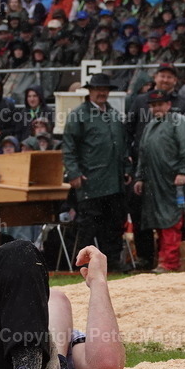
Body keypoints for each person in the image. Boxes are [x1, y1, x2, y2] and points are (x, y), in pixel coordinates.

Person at [62, 72, 129, 271]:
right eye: (98, 89)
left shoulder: (114, 114)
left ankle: (113, 262)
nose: (102, 93)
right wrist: (73, 172)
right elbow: (69, 147)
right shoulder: (78, 115)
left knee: (114, 224)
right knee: (88, 226)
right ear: (90, 91)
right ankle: (81, 265)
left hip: (114, 181)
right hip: (90, 181)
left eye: (105, 89)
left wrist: (127, 169)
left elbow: (123, 146)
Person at [133, 90, 185, 274]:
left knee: (172, 221)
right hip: (154, 183)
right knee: (160, 222)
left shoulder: (180, 122)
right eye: (153, 105)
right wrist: (140, 177)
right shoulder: (150, 126)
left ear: (168, 105)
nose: (157, 108)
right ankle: (163, 260)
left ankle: (170, 263)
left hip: (174, 182)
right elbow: (143, 154)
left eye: (160, 105)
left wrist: (183, 172)